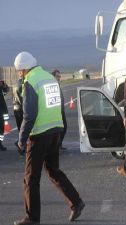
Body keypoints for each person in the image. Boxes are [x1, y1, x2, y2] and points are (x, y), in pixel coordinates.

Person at [13, 51, 84, 225]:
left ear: (23, 69)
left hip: (39, 135)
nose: (19, 74)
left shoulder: (31, 81)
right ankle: (76, 202)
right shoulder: (49, 78)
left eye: (19, 71)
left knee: (31, 178)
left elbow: (29, 115)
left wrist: (21, 140)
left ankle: (32, 218)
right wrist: (61, 130)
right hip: (55, 131)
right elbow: (58, 105)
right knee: (53, 171)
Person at [51, 69, 67, 150]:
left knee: (63, 128)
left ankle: (59, 145)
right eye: (57, 76)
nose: (59, 78)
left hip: (61, 110)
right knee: (60, 129)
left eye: (59, 76)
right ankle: (57, 146)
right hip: (57, 112)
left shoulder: (57, 84)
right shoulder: (52, 86)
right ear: (53, 76)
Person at [13, 73, 25, 154]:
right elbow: (22, 99)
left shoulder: (16, 83)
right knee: (24, 129)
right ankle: (20, 145)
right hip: (21, 109)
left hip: (16, 108)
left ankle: (20, 146)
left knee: (21, 129)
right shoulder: (22, 84)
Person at [0, 79, 9, 151]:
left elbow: (6, 90)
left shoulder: (1, 86)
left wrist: (3, 85)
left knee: (2, 129)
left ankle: (0, 143)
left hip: (2, 111)